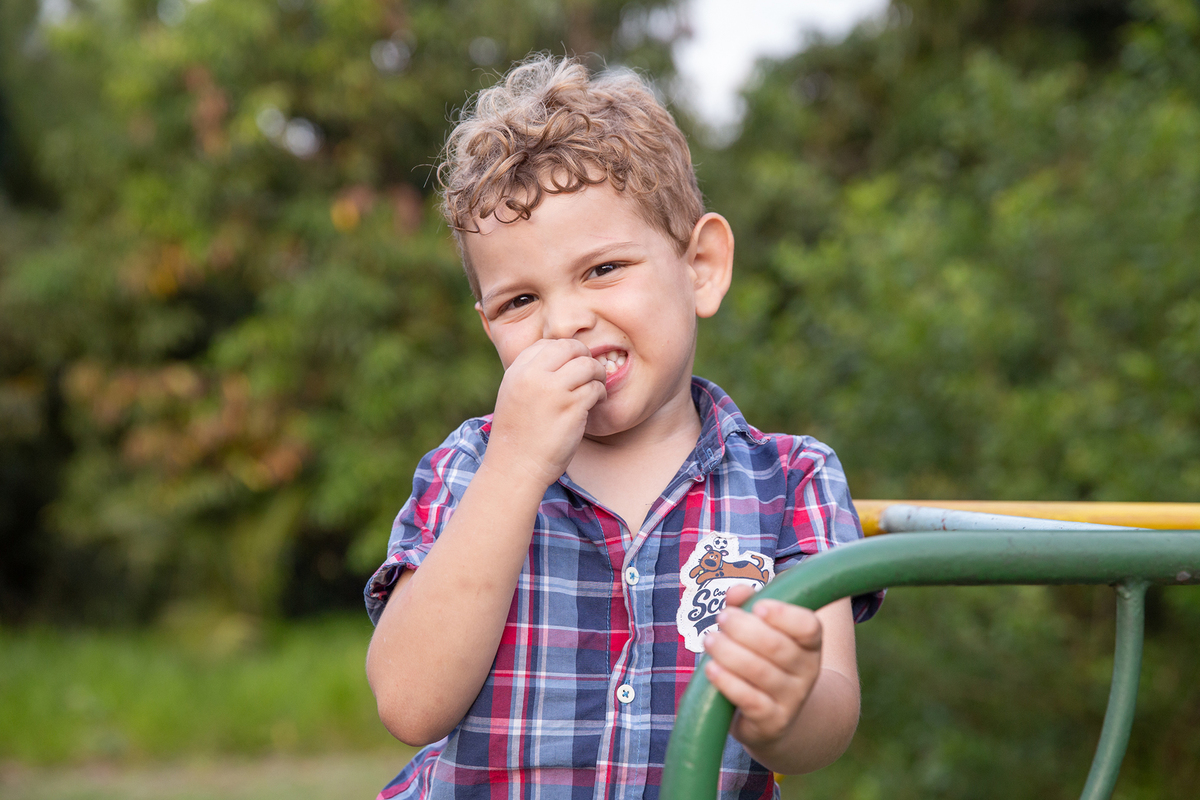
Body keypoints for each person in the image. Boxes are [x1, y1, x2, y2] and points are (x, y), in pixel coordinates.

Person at [364, 53, 883, 800]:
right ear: (488, 329)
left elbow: (828, 722)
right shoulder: (470, 467)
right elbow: (409, 704)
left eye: (602, 269)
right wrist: (515, 468)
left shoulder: (791, 479)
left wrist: (786, 700)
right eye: (518, 303)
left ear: (700, 266)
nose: (567, 321)